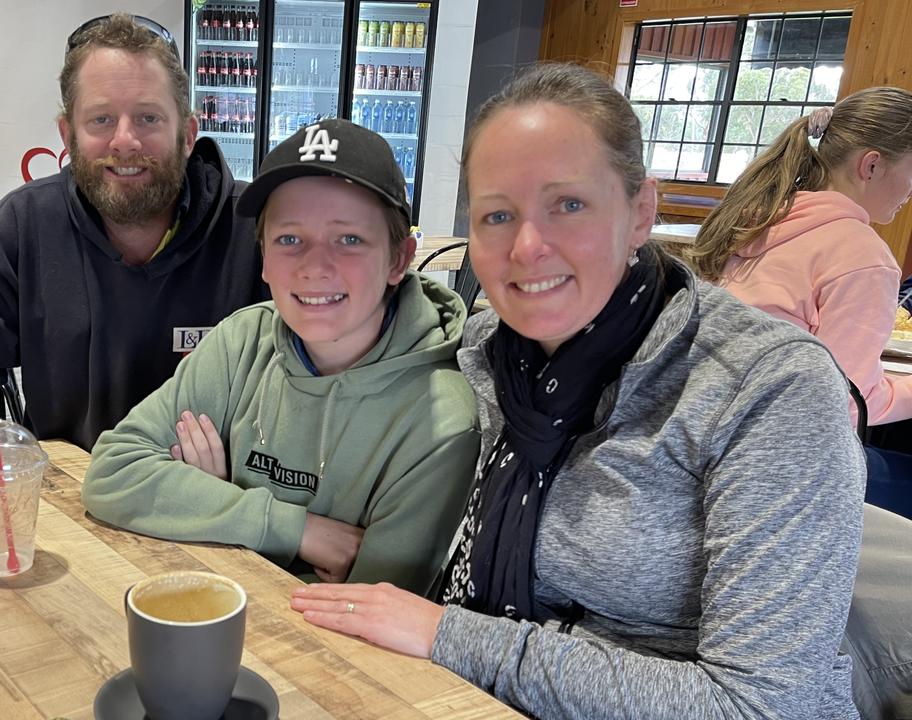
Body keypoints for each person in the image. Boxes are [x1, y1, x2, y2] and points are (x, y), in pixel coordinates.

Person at [290, 64, 865, 718]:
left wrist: (449, 632)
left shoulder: (769, 388)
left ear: (640, 210)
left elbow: (762, 704)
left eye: (568, 205)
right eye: (497, 214)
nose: (528, 247)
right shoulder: (484, 351)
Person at [82, 119, 479, 595]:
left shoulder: (442, 418)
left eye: (349, 239)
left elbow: (365, 616)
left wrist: (203, 504)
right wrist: (297, 530)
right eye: (289, 239)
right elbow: (110, 474)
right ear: (264, 261)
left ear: (399, 259)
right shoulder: (242, 342)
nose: (315, 266)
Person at [0, 14, 268, 455]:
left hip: (225, 502)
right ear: (68, 134)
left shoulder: (259, 229)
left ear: (188, 133)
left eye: (148, 118)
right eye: (100, 120)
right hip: (72, 504)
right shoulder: (20, 230)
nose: (125, 141)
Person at [686, 87, 912, 425]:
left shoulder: (759, 218)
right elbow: (842, 404)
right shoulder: (863, 257)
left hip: (698, 423)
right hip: (764, 448)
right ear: (872, 165)